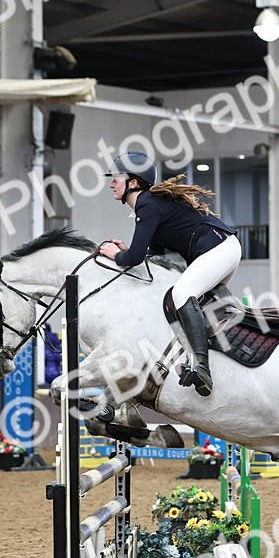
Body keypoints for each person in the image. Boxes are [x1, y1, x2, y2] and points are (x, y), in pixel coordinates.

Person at [98, 151, 241, 397]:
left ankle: (202, 367)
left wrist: (114, 254)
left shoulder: (147, 204)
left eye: (116, 179)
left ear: (133, 182)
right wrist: (127, 251)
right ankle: (229, 350)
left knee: (182, 293)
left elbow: (132, 260)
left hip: (219, 249)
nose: (111, 183)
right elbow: (150, 255)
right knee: (199, 305)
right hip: (224, 249)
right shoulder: (148, 206)